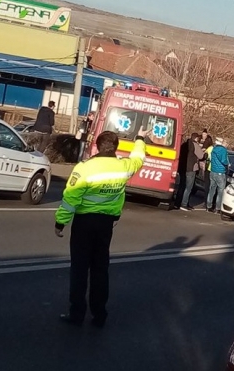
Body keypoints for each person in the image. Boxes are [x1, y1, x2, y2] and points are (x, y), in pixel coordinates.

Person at [54, 126, 149, 327]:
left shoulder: (84, 168)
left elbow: (70, 199)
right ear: (115, 147)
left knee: (79, 270)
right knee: (100, 270)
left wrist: (60, 223)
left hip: (83, 223)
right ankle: (99, 315)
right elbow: (139, 157)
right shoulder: (124, 167)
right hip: (106, 225)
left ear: (96, 147)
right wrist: (140, 137)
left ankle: (77, 313)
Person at [175, 132, 203, 211]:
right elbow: (201, 156)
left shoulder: (184, 144)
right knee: (188, 187)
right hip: (190, 168)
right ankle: (184, 204)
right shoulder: (195, 145)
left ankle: (177, 203)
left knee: (181, 186)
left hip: (182, 168)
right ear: (196, 138)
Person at [207, 137, 229, 214]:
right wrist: (228, 164)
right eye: (226, 143)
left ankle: (208, 206)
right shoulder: (223, 150)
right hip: (220, 172)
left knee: (212, 189)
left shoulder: (214, 149)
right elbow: (224, 160)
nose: (227, 145)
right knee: (220, 191)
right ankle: (218, 208)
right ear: (223, 143)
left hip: (213, 171)